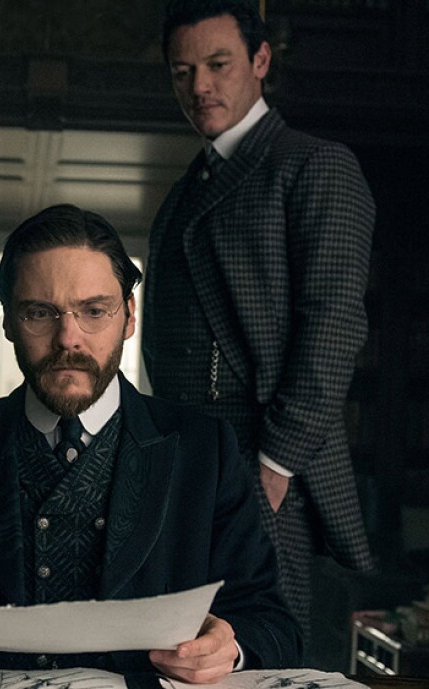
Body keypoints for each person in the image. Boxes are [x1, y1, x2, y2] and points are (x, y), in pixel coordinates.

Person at [0, 204, 301, 682]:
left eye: (94, 311)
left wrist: (229, 649)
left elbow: (272, 622)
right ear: (8, 321)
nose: (68, 339)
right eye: (40, 312)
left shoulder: (205, 451)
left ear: (128, 317)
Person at [142, 0, 378, 643]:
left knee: (264, 653)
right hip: (186, 465)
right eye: (182, 71)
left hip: (264, 466)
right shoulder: (187, 187)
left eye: (218, 64)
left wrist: (273, 469)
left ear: (261, 60)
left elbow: (333, 327)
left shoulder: (314, 165)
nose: (199, 86)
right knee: (187, 656)